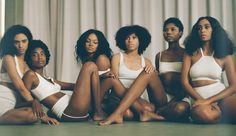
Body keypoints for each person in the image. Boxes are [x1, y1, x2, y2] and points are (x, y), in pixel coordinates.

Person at [99, 25, 167, 125]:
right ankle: (138, 113)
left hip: (136, 98)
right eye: (127, 38)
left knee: (150, 108)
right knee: (127, 114)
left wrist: (153, 71)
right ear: (123, 40)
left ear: (141, 40)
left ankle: (139, 112)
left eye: (134, 37)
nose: (130, 41)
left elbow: (152, 80)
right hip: (117, 97)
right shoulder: (117, 57)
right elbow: (114, 82)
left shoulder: (146, 61)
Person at [23, 40, 103, 122]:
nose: (40, 57)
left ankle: (99, 110)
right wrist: (33, 101)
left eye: (42, 54)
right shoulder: (30, 75)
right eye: (34, 55)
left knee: (109, 81)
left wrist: (98, 76)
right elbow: (21, 99)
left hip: (78, 109)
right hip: (69, 113)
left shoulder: (50, 79)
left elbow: (76, 86)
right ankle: (98, 112)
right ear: (29, 58)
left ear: (46, 56)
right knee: (89, 65)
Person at [181, 16, 236, 124]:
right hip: (198, 98)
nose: (202, 30)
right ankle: (219, 116)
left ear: (214, 30)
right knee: (205, 115)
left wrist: (209, 101)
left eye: (207, 27)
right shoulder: (190, 53)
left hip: (220, 97)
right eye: (199, 28)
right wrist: (202, 101)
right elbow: (184, 82)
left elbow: (234, 86)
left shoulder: (225, 55)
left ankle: (220, 114)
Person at [0, 25, 55, 125]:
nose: (21, 45)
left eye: (24, 41)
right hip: (3, 100)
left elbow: (41, 82)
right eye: (16, 42)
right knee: (34, 115)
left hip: (15, 104)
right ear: (11, 43)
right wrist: (33, 102)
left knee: (35, 113)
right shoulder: (9, 58)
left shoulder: (28, 64)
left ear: (29, 41)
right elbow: (20, 87)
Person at [155, 18, 190, 121]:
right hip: (163, 97)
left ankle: (159, 113)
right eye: (166, 30)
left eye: (173, 29)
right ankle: (163, 111)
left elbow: (189, 81)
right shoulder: (159, 55)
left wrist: (171, 103)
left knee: (180, 109)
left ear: (180, 33)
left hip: (181, 96)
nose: (168, 32)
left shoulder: (187, 54)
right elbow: (159, 80)